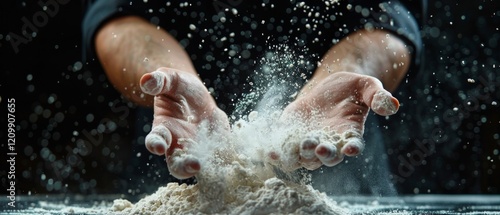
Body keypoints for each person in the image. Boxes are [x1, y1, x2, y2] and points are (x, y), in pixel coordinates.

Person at [83, 0, 424, 195]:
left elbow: (390, 23)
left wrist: (346, 74)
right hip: (178, 135)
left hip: (334, 139)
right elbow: (117, 21)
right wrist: (171, 79)